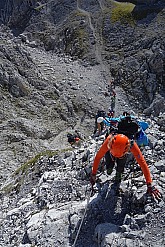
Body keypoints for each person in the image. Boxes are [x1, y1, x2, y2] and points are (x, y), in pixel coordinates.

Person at [90, 133, 161, 200]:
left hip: (116, 153)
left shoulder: (132, 145)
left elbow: (143, 164)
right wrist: (93, 174)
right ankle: (110, 170)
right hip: (113, 153)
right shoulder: (109, 140)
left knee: (120, 167)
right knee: (110, 165)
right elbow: (98, 157)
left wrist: (149, 184)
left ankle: (118, 177)